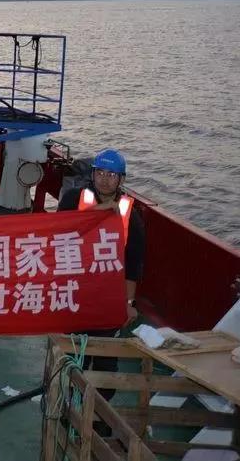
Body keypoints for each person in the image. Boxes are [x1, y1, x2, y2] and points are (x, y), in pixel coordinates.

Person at [57, 148, 145, 401]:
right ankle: (69, 409)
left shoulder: (131, 216)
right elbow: (57, 233)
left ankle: (99, 413)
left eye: (112, 175)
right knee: (74, 358)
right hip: (75, 293)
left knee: (106, 363)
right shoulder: (72, 199)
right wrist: (100, 211)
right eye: (101, 173)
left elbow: (133, 265)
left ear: (121, 179)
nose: (105, 179)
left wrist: (129, 304)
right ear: (93, 174)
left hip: (108, 298)